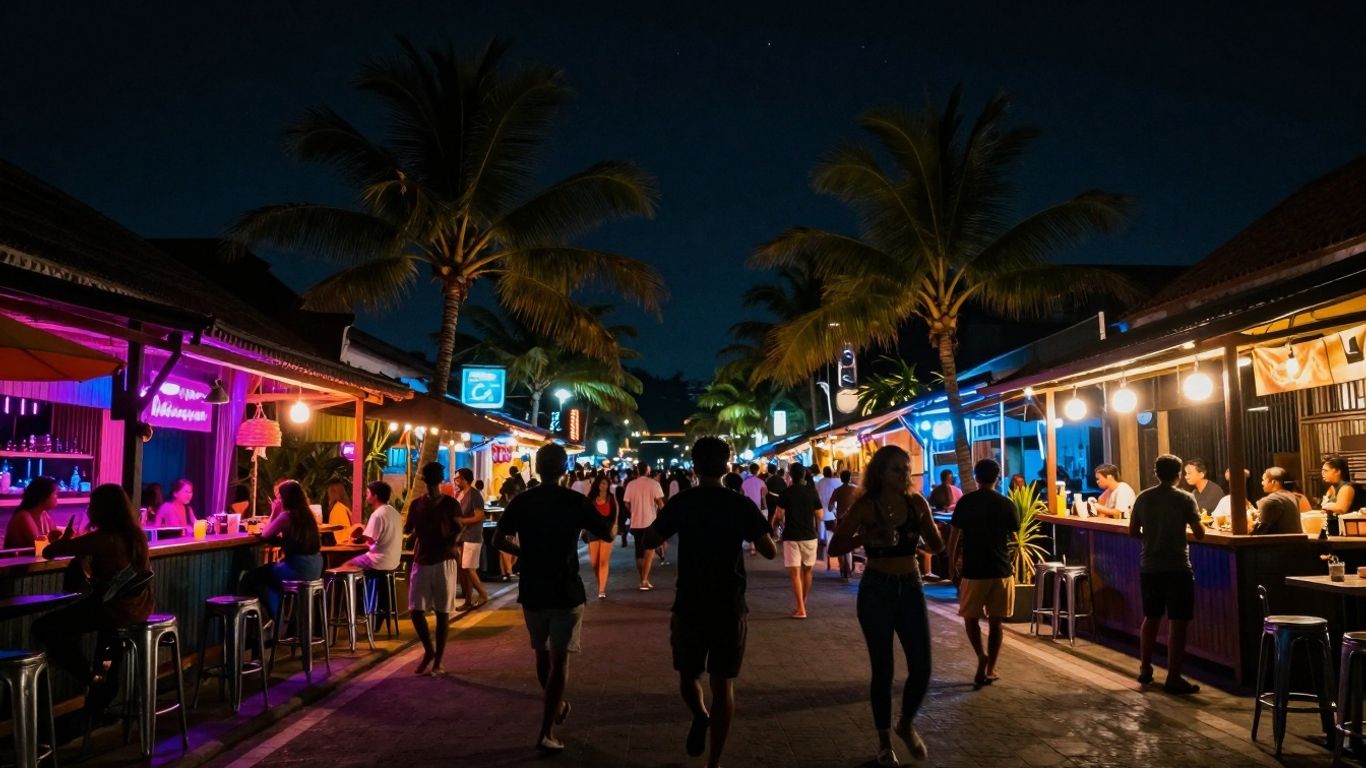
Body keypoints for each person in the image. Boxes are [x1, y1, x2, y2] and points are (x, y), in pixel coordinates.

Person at [641, 437, 777, 768]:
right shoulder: (739, 504)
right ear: (727, 464)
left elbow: (650, 538)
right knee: (723, 683)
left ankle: (700, 716)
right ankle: (714, 762)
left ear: (695, 465)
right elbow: (770, 550)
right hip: (729, 603)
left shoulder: (683, 502)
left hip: (689, 601)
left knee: (688, 677)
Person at [493, 443, 611, 754]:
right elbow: (608, 533)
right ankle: (546, 730)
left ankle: (555, 710)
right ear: (563, 470)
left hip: (533, 588)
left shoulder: (523, 500)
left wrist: (525, 554)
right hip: (565, 589)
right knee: (560, 660)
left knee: (542, 656)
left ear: (538, 467)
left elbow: (497, 539)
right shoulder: (575, 501)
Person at [829, 445, 943, 766]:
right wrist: (867, 537)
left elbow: (936, 546)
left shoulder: (916, 502)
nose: (904, 474)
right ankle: (883, 741)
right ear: (880, 472)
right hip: (876, 590)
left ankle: (905, 723)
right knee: (883, 669)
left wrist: (926, 523)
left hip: (910, 586)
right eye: (896, 468)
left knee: (922, 667)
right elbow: (837, 545)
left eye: (906, 468)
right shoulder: (865, 506)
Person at [33, 484, 152, 707]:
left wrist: (66, 539)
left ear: (102, 510)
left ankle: (93, 679)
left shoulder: (103, 538)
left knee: (43, 627)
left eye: (92, 505)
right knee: (82, 623)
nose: (89, 510)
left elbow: (50, 552)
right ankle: (104, 682)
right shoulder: (137, 536)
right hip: (138, 608)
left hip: (113, 611)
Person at [1128, 454, 1204, 694]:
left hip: (1150, 566)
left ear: (1156, 473)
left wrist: (1151, 540)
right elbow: (1200, 533)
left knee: (1151, 617)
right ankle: (1173, 675)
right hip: (1178, 567)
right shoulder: (1185, 498)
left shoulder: (1143, 498)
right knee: (1178, 621)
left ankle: (1145, 668)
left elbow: (1132, 531)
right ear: (1178, 474)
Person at [950, 459, 1019, 688]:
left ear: (976, 477)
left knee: (971, 618)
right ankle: (991, 668)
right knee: (996, 621)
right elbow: (1015, 540)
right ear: (998, 477)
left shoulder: (966, 502)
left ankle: (981, 655)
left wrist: (952, 563)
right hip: (1000, 570)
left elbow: (955, 536)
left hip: (974, 570)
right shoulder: (1006, 503)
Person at [405, 462, 461, 675]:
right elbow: (409, 529)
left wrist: (453, 543)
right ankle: (430, 651)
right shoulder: (417, 504)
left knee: (442, 612)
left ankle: (438, 660)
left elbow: (458, 528)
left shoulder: (450, 503)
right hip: (422, 559)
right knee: (416, 610)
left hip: (444, 559)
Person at [246, 480, 323, 623]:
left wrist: (275, 510)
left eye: (279, 498)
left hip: (297, 569)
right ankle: (280, 624)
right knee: (272, 584)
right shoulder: (308, 514)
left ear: (286, 498)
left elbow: (266, 534)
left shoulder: (287, 516)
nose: (278, 500)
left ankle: (269, 625)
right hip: (316, 567)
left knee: (251, 578)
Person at [772, 463, 823, 619]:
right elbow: (820, 515)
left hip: (791, 536)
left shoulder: (786, 493)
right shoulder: (812, 492)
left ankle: (800, 607)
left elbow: (779, 515)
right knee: (807, 571)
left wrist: (773, 526)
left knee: (795, 573)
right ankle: (803, 604)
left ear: (790, 475)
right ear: (804, 475)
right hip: (809, 536)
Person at [346, 481, 403, 620]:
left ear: (375, 496)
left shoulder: (377, 514)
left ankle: (354, 610)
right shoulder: (394, 513)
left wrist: (356, 538)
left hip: (378, 560)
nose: (366, 495)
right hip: (393, 561)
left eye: (368, 493)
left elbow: (370, 540)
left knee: (346, 566)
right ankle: (367, 608)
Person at [624, 463, 665, 590]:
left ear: (637, 471)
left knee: (639, 552)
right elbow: (660, 502)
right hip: (650, 521)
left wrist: (633, 510)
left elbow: (626, 503)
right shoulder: (654, 484)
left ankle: (642, 578)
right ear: (648, 471)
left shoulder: (631, 484)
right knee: (649, 551)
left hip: (636, 522)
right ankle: (644, 580)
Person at [454, 467, 489, 612]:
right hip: (462, 536)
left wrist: (462, 521)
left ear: (464, 479)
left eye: (457, 478)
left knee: (469, 568)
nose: (455, 481)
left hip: (472, 536)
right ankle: (468, 600)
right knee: (463, 569)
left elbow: (479, 516)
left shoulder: (474, 495)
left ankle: (483, 594)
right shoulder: (460, 494)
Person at [585, 475, 619, 599]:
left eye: (605, 483)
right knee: (594, 563)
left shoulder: (611, 498)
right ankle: (600, 583)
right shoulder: (591, 498)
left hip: (606, 530)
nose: (603, 486)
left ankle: (602, 589)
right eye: (601, 483)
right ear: (597, 484)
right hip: (593, 531)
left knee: (603, 561)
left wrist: (615, 527)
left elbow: (615, 514)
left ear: (608, 485)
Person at [4, 476, 61, 549]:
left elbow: (54, 536)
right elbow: (41, 548)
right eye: (55, 493)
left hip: (35, 559)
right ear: (43, 496)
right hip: (19, 560)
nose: (57, 497)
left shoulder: (44, 515)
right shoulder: (24, 516)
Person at [1252, 468, 1304, 535]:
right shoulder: (1293, 497)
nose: (1262, 483)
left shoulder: (1269, 501)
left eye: (1263, 480)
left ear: (1273, 482)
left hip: (1278, 544)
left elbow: (1259, 532)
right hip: (1295, 543)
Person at [828, 470, 858, 582]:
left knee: (839, 544)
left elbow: (830, 506)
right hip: (854, 521)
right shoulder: (856, 489)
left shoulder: (838, 490)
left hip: (841, 520)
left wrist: (835, 510)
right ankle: (849, 570)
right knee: (850, 544)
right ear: (850, 478)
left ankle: (842, 570)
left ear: (841, 479)